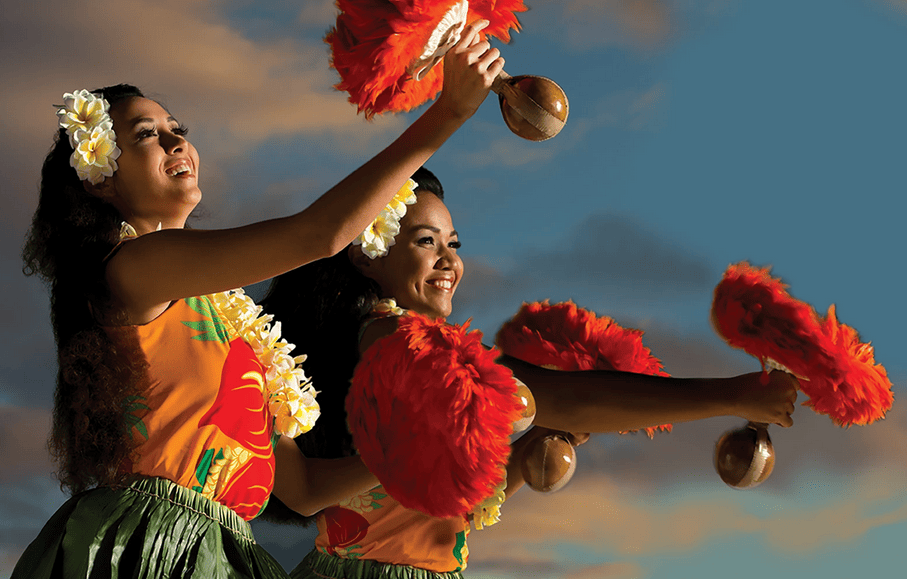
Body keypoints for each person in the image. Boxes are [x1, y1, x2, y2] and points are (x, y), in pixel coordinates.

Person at [12, 20, 504, 578]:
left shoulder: (226, 315)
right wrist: (449, 115)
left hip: (221, 549)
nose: (177, 141)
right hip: (148, 547)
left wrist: (417, 458)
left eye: (178, 128)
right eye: (147, 134)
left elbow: (306, 491)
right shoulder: (131, 269)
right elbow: (316, 235)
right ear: (100, 175)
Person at [260, 167, 799, 578]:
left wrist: (529, 453)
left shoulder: (384, 344)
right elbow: (561, 396)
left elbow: (447, 513)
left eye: (453, 244)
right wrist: (734, 394)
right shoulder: (397, 339)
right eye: (426, 241)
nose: (449, 260)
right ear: (366, 254)